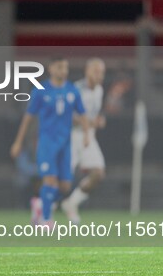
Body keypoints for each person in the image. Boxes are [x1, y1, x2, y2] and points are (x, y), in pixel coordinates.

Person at [10, 58, 89, 228]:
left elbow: (82, 114)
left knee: (65, 185)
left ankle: (39, 204)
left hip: (65, 143)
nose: (63, 70)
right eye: (60, 67)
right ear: (51, 68)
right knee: (50, 180)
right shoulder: (41, 90)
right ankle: (46, 219)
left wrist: (86, 135)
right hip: (47, 142)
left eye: (66, 67)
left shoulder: (72, 90)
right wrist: (18, 141)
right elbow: (28, 117)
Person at [61, 58, 107, 224]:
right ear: (87, 71)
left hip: (88, 136)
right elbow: (68, 117)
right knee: (63, 180)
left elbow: (92, 116)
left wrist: (97, 121)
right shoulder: (76, 90)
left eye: (102, 72)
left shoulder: (99, 90)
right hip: (72, 137)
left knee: (98, 173)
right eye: (96, 71)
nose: (99, 75)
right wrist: (89, 123)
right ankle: (43, 208)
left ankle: (71, 204)